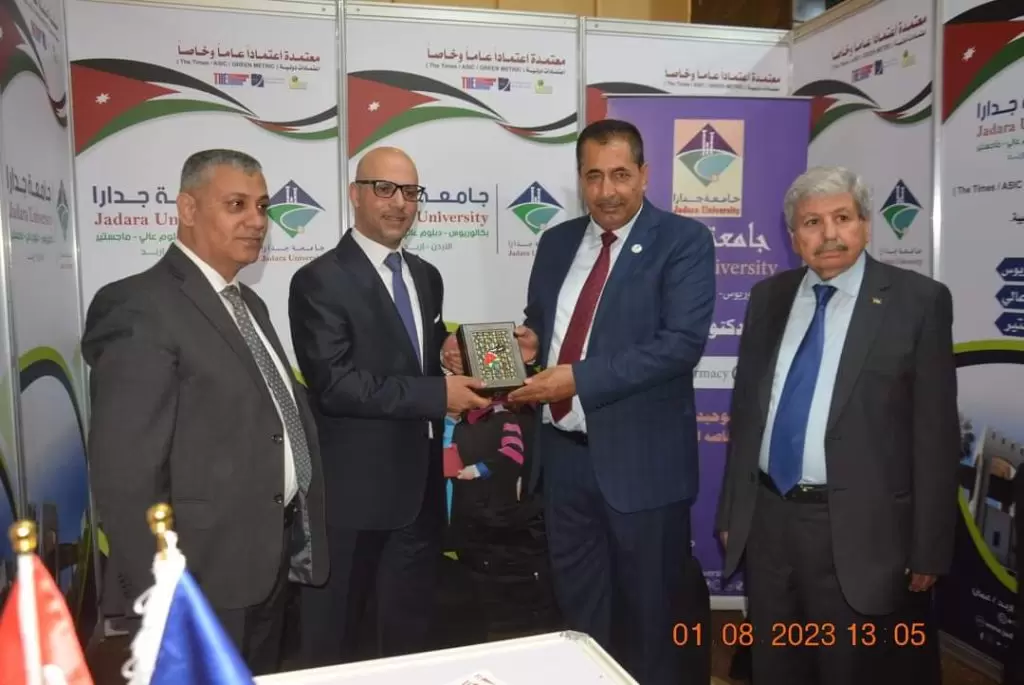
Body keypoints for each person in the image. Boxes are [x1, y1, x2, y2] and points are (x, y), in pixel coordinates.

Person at [82, 149, 327, 675]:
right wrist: (160, 594)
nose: (256, 221)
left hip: (265, 565)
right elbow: (125, 476)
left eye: (262, 206)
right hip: (197, 582)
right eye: (236, 204)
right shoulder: (139, 305)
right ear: (188, 209)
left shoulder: (248, 303)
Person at [715, 166, 960, 685]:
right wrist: (734, 510)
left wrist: (929, 547)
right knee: (777, 667)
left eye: (842, 218)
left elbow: (936, 437)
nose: (828, 234)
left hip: (861, 532)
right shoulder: (768, 298)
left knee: (849, 670)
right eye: (812, 222)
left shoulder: (918, 302)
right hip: (770, 522)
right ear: (793, 237)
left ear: (866, 225)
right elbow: (749, 416)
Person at [500, 118, 716, 684]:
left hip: (643, 469)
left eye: (620, 174)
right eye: (594, 176)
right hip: (563, 464)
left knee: (651, 626)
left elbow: (680, 345)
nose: (607, 191)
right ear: (580, 179)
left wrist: (577, 379)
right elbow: (542, 327)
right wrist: (528, 346)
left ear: (645, 174)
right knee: (580, 623)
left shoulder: (684, 242)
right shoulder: (556, 244)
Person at [288, 146, 489, 667]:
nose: (399, 203)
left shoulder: (426, 275)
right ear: (355, 195)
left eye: (410, 192)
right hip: (354, 499)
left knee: (408, 645)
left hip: (420, 495)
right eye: (384, 189)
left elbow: (412, 354)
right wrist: (437, 394)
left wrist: (445, 354)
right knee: (338, 647)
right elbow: (335, 385)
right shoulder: (318, 280)